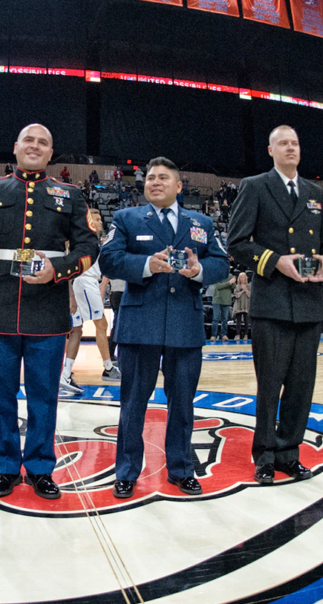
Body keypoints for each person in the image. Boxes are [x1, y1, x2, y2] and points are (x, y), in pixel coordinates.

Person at [0, 123, 100, 500]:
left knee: (44, 395)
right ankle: (6, 467)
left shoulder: (70, 195)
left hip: (48, 309)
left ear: (49, 153)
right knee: (0, 394)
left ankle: (42, 468)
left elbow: (88, 247)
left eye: (43, 142)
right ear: (15, 148)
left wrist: (57, 271)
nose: (35, 146)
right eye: (29, 139)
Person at [98, 157, 229, 498]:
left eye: (162, 178)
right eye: (150, 178)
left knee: (183, 404)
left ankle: (181, 469)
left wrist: (199, 270)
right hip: (140, 325)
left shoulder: (201, 222)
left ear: (179, 186)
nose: (154, 182)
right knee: (132, 405)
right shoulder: (127, 218)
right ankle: (126, 471)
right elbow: (108, 258)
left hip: (185, 325)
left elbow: (222, 264)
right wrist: (145, 264)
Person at [227, 125, 323, 485]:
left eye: (295, 142)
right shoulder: (255, 186)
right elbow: (238, 243)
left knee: (302, 386)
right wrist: (276, 261)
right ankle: (265, 456)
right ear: (271, 151)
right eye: (283, 143)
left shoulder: (315, 192)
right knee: (270, 384)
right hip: (272, 301)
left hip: (308, 303)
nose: (291, 148)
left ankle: (290, 453)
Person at [61, 211, 121, 394]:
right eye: (96, 219)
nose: (100, 222)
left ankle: (65, 374)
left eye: (101, 219)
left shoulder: (86, 238)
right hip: (85, 282)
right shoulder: (82, 237)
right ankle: (109, 368)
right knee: (101, 324)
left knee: (76, 330)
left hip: (83, 283)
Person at [210, 271, 235, 341]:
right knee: (215, 318)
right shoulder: (217, 275)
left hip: (226, 300)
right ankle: (213, 335)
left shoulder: (230, 275)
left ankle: (224, 334)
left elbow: (234, 286)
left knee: (225, 319)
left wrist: (233, 282)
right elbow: (218, 286)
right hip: (217, 300)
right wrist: (229, 282)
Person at [231, 272, 251, 340]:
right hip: (239, 305)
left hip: (246, 305)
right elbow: (235, 295)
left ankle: (246, 335)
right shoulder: (237, 286)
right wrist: (242, 291)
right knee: (238, 321)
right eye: (241, 277)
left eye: (243, 277)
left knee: (246, 321)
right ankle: (238, 334)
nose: (242, 278)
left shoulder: (249, 286)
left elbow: (250, 296)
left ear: (246, 278)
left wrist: (246, 291)